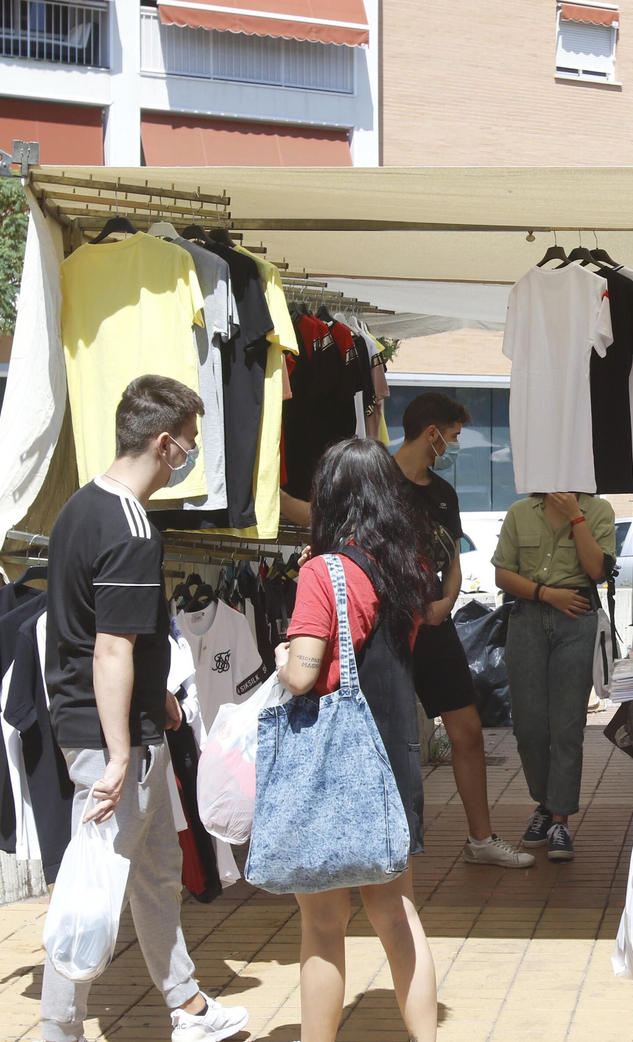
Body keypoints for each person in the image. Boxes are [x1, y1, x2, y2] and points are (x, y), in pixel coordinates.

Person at [42, 375, 249, 1042]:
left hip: (122, 729)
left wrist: (158, 698)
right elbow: (109, 649)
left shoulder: (81, 508)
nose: (190, 456)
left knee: (157, 872)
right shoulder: (131, 528)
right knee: (93, 889)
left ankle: (187, 1006)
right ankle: (58, 1028)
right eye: (189, 443)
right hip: (115, 742)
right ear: (164, 443)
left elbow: (98, 630)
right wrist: (119, 756)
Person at [273, 438, 438, 1042]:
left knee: (322, 923)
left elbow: (303, 673)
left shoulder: (324, 572)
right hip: (392, 757)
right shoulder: (406, 569)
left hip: (334, 766)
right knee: (397, 914)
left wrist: (284, 656)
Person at [392, 392, 533, 868]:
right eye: (452, 437)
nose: (453, 446)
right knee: (384, 735)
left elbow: (451, 560)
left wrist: (447, 601)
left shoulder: (443, 493)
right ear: (432, 433)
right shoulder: (376, 481)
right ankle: (375, 846)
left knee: (467, 729)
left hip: (434, 622)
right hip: (385, 626)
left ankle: (481, 839)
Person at [492, 488, 617, 861]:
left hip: (577, 617)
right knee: (529, 727)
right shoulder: (520, 510)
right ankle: (544, 805)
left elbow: (597, 571)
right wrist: (545, 594)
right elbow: (502, 574)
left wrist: (576, 515)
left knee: (567, 726)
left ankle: (559, 820)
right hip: (528, 617)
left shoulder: (598, 510)